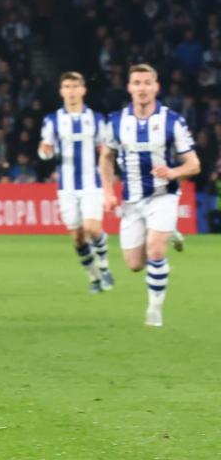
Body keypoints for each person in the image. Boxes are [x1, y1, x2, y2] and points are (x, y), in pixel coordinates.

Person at [100, 64, 198, 328]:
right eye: (137, 83)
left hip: (163, 195)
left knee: (155, 249)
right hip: (132, 200)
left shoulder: (173, 121)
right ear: (129, 88)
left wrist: (173, 171)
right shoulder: (116, 121)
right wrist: (108, 191)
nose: (142, 88)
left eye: (147, 83)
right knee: (134, 264)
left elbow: (194, 164)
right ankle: (171, 231)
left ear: (156, 87)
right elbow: (106, 157)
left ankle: (154, 310)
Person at [37, 71, 114, 293]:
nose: (71, 91)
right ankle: (93, 278)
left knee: (92, 229)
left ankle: (104, 267)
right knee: (78, 238)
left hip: (92, 183)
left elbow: (106, 151)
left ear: (83, 90)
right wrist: (45, 152)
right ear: (61, 92)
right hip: (66, 187)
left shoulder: (97, 119)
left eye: (74, 86)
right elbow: (46, 151)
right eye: (67, 87)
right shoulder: (52, 121)